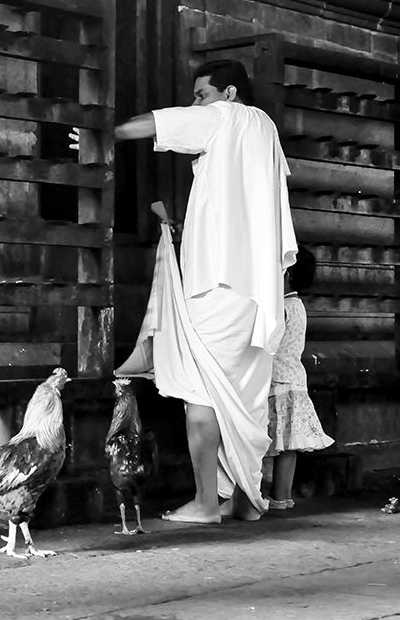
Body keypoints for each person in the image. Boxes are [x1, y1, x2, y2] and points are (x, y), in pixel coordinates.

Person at [75, 60, 297, 523]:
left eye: (202, 93)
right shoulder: (267, 133)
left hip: (218, 284)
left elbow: (161, 122)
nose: (197, 102)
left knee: (203, 390)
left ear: (229, 92)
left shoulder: (226, 116)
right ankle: (244, 500)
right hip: (257, 293)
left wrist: (103, 135)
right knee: (242, 396)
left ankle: (203, 501)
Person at [266, 245, 335, 509]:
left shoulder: (281, 308)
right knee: (289, 444)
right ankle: (282, 496)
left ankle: (258, 493)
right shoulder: (298, 306)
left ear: (288, 274)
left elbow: (269, 343)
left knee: (270, 439)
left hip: (277, 380)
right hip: (295, 379)